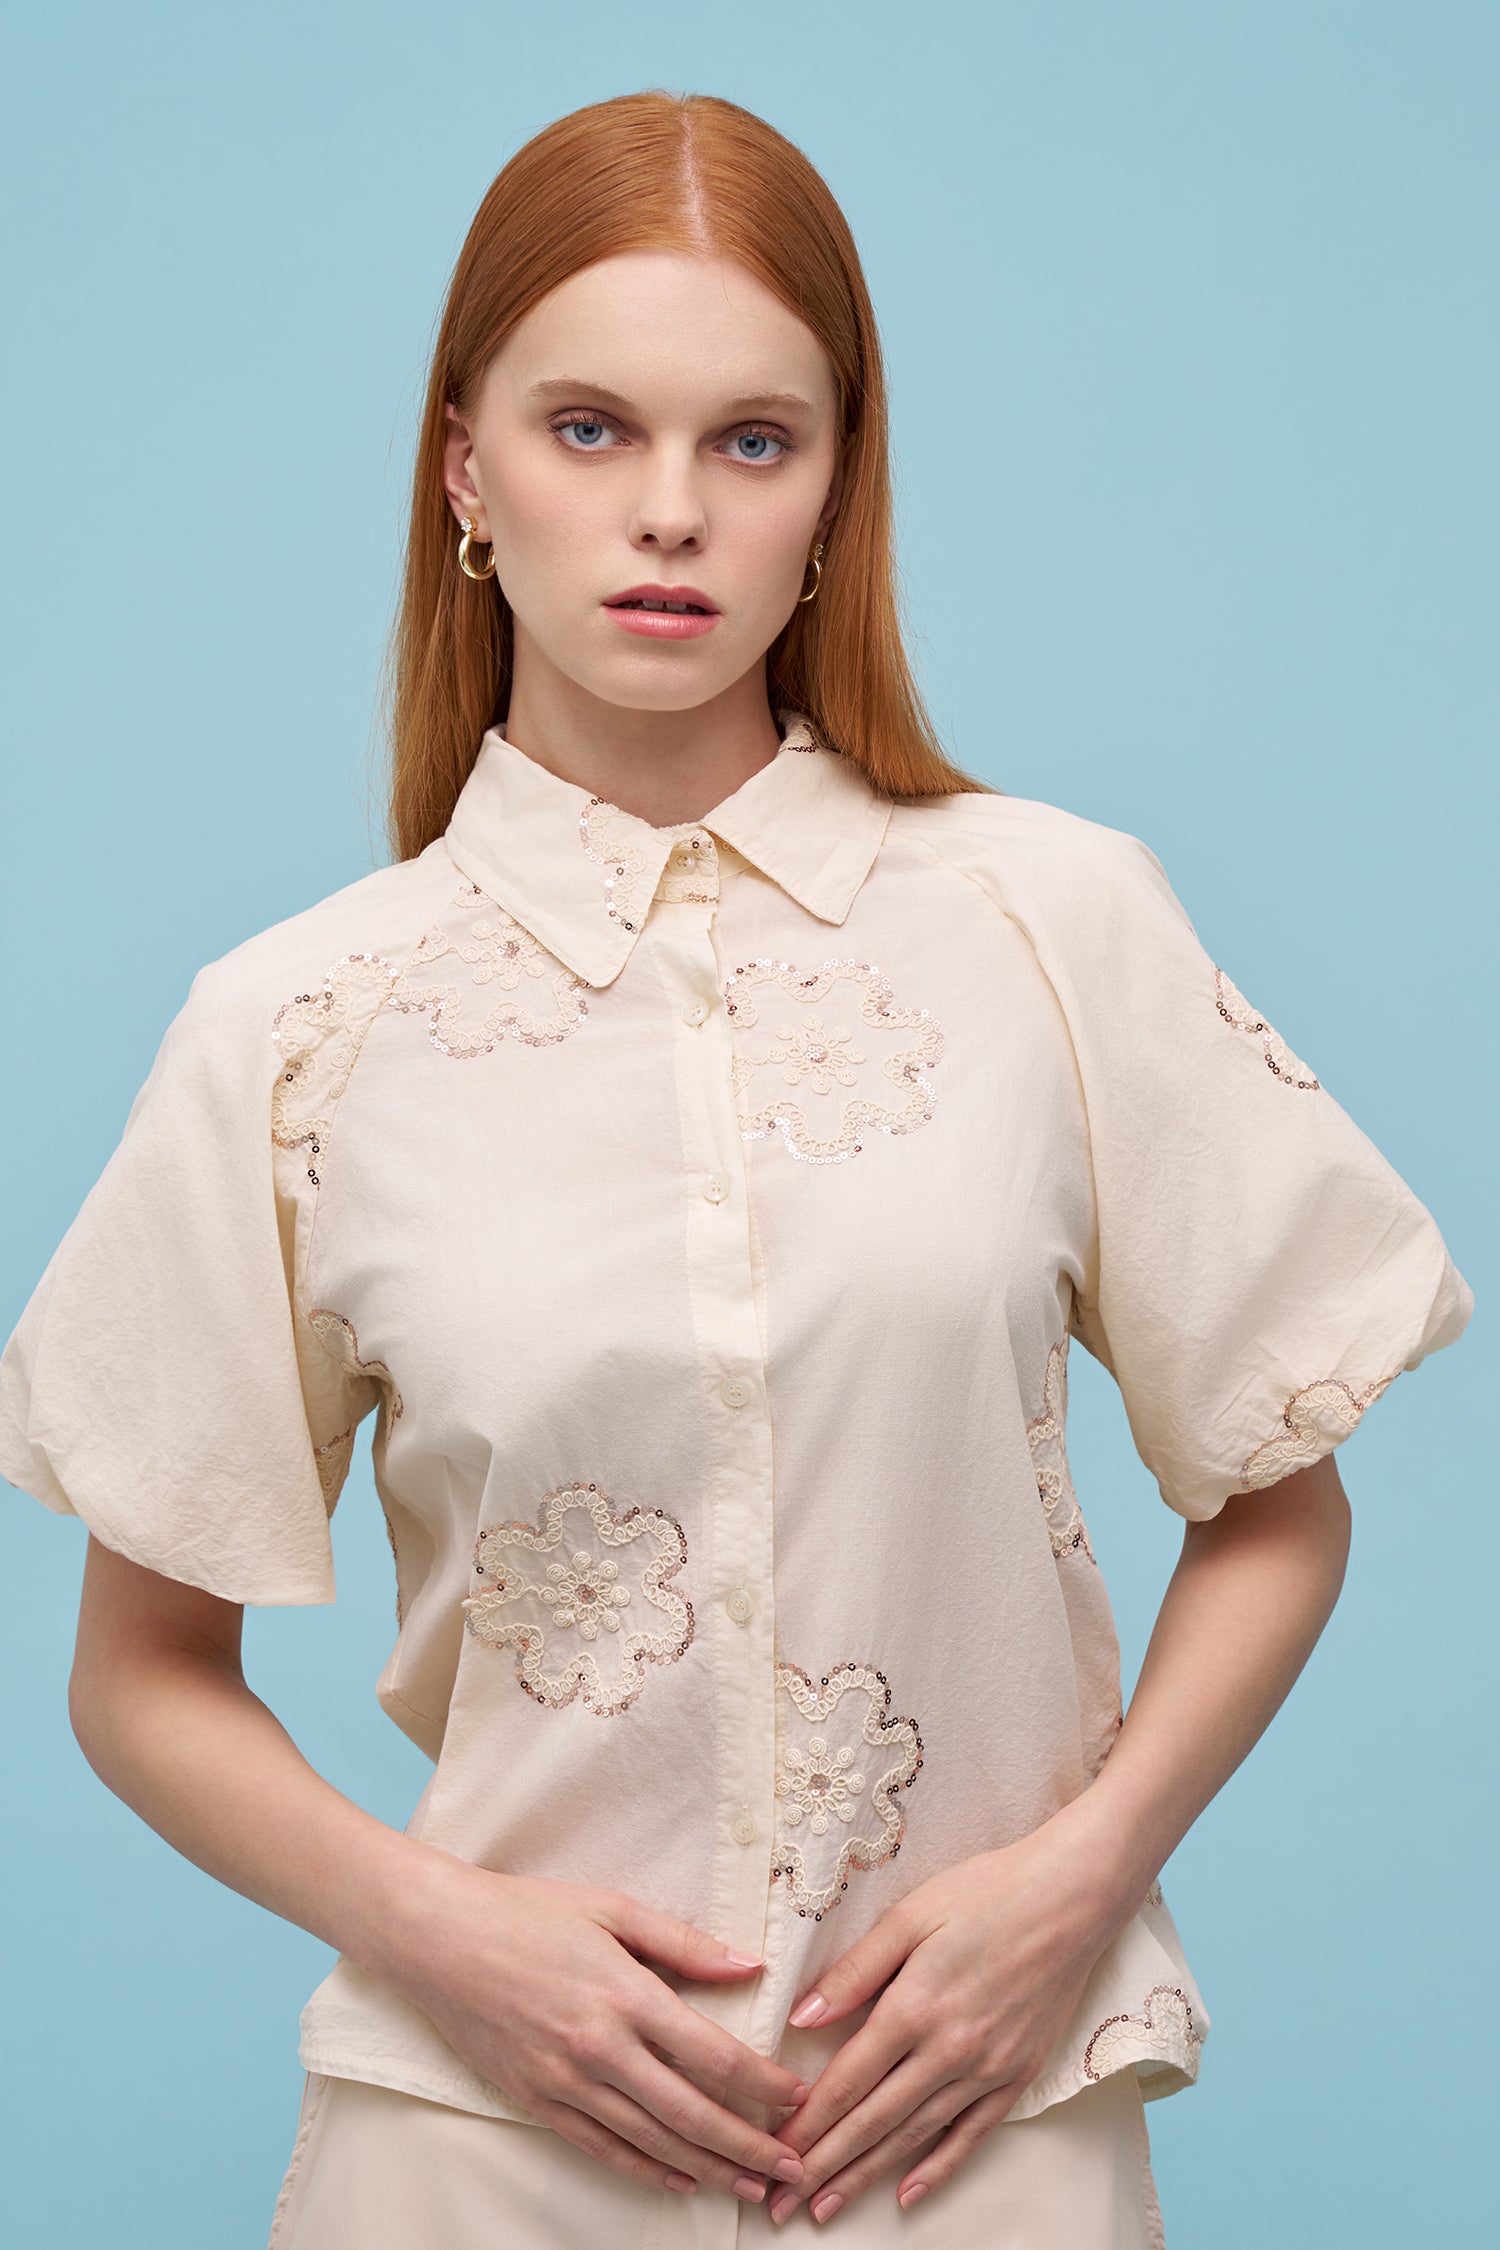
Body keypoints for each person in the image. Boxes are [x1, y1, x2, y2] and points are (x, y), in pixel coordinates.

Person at [0, 88, 1474, 2250]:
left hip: (981, 2131)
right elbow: (137, 1673)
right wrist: (441, 1933)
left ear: (836, 489)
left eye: (753, 440)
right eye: (590, 428)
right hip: (482, 2155)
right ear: (464, 469)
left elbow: (1281, 1500)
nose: (671, 511)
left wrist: (1079, 1883)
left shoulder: (1057, 926)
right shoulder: (297, 1027)